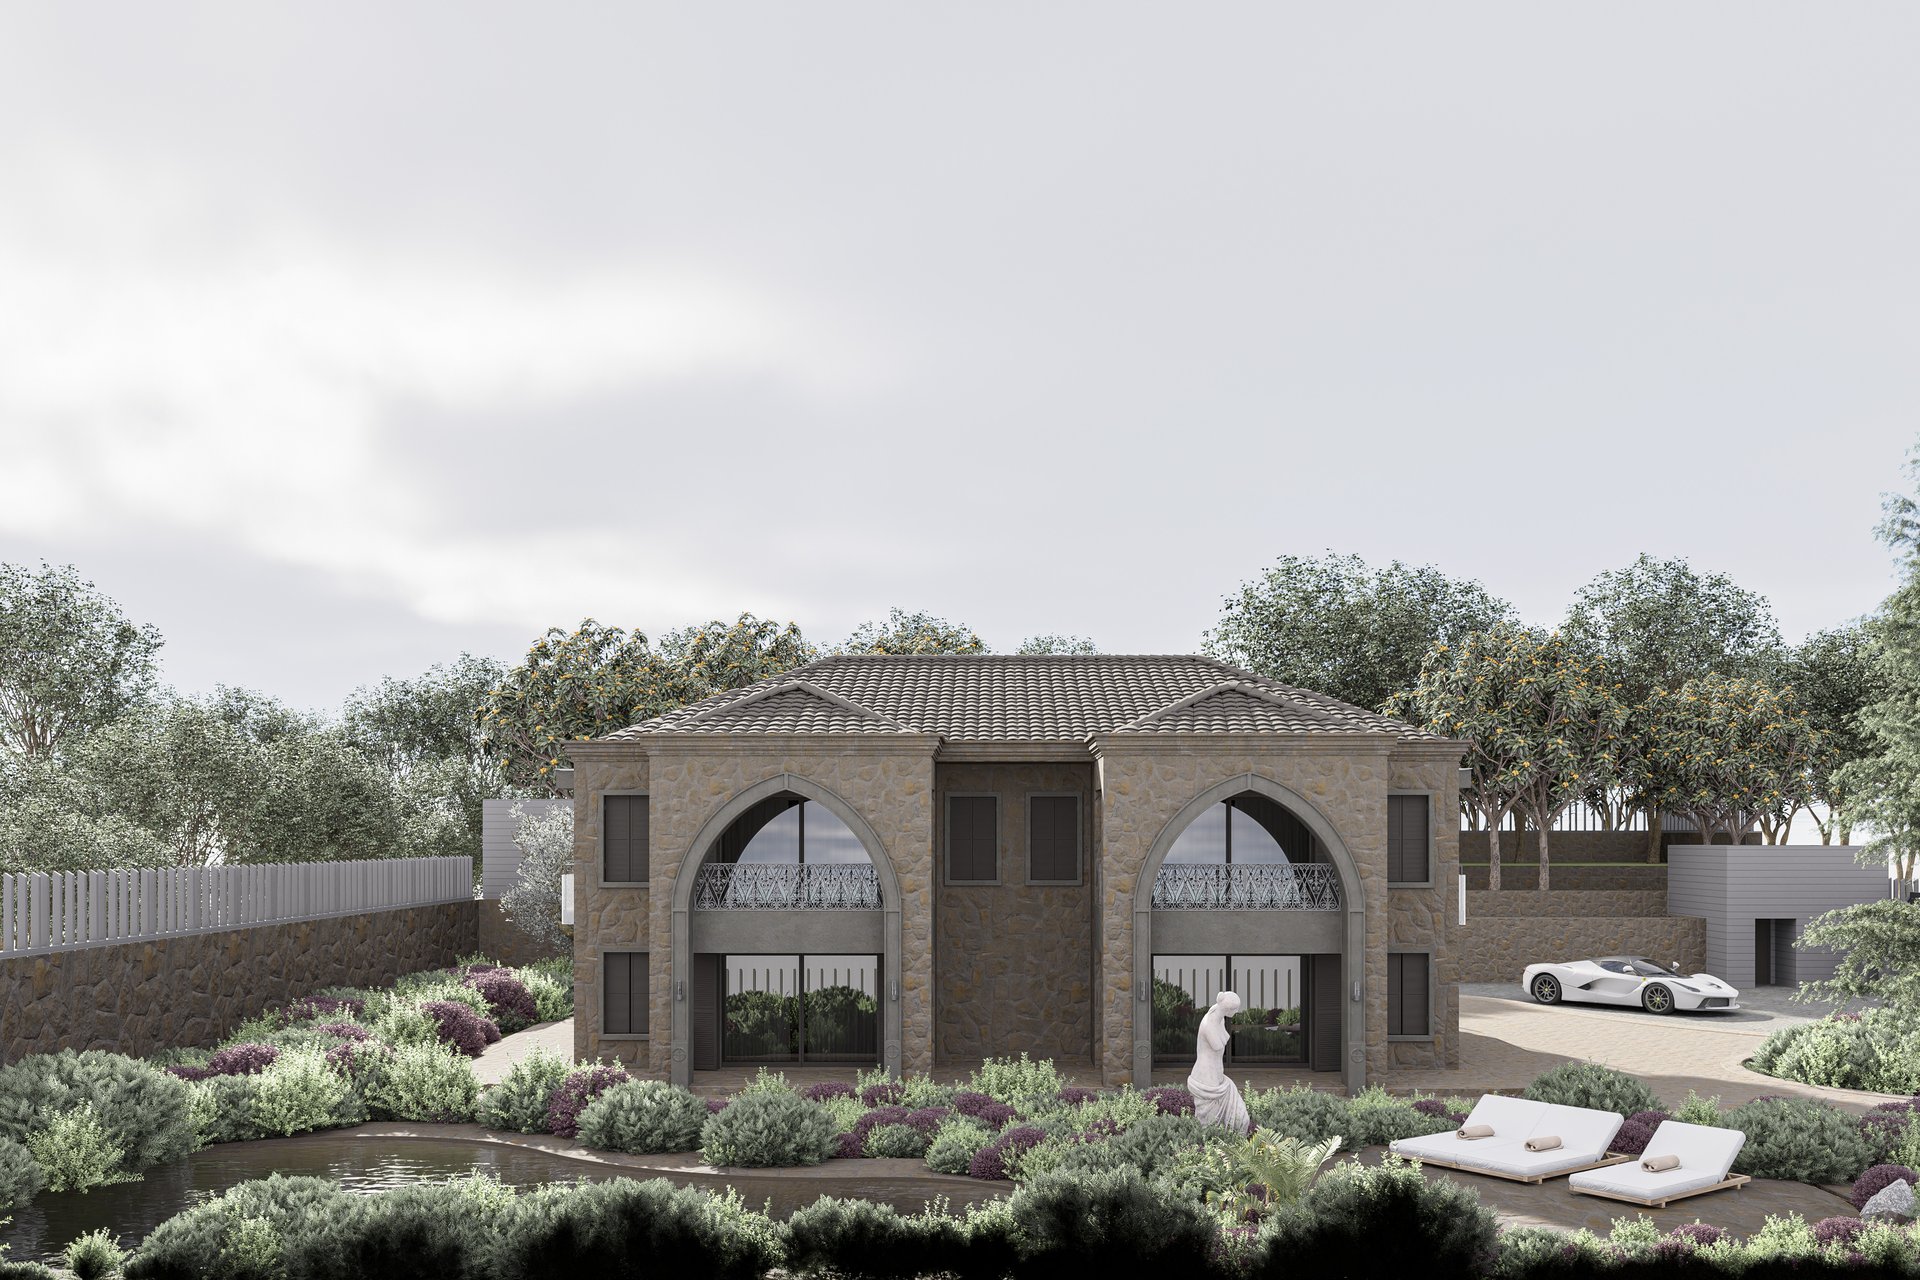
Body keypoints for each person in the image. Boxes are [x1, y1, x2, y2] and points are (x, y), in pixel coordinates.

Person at [1188, 989, 1251, 1135]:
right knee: (1208, 1127)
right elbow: (1218, 1045)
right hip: (1206, 1079)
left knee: (1241, 1119)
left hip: (1219, 1079)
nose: (1236, 1012)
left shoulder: (1219, 1017)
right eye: (1235, 1009)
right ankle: (1211, 1153)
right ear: (1228, 1009)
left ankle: (1234, 1150)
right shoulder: (1208, 1024)